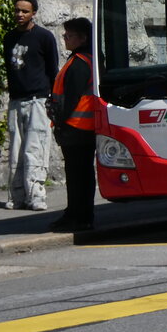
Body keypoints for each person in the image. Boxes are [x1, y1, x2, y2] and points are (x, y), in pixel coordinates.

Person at [3, 0, 58, 211]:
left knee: (35, 149)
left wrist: (53, 99)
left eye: (25, 11)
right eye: (17, 10)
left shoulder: (44, 37)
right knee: (16, 150)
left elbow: (53, 69)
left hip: (38, 99)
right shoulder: (9, 38)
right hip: (16, 100)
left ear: (33, 13)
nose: (20, 14)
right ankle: (17, 196)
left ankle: (36, 196)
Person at [48, 17, 97, 232]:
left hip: (75, 126)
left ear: (82, 38)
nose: (65, 39)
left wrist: (60, 121)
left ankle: (79, 216)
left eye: (69, 36)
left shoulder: (79, 63)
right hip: (84, 126)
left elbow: (70, 98)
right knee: (81, 174)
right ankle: (77, 214)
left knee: (78, 175)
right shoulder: (90, 58)